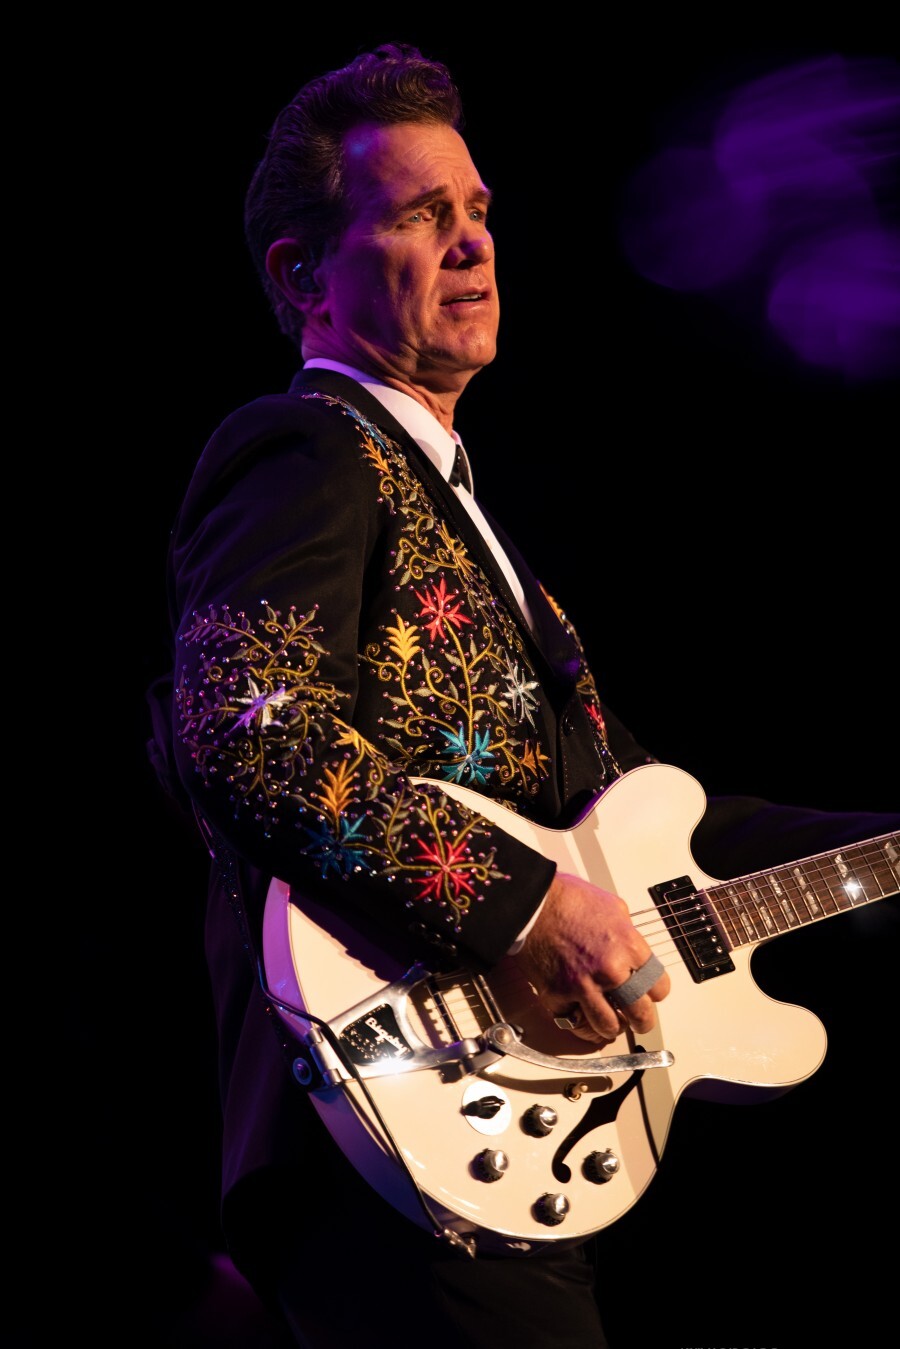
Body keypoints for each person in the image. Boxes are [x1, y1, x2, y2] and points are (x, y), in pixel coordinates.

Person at [146, 42, 899, 1348]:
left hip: (507, 1126)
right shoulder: (308, 447)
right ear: (304, 276)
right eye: (420, 214)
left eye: (479, 209)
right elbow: (252, 729)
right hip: (382, 1104)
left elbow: (652, 823)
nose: (473, 242)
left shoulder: (467, 518)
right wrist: (526, 906)